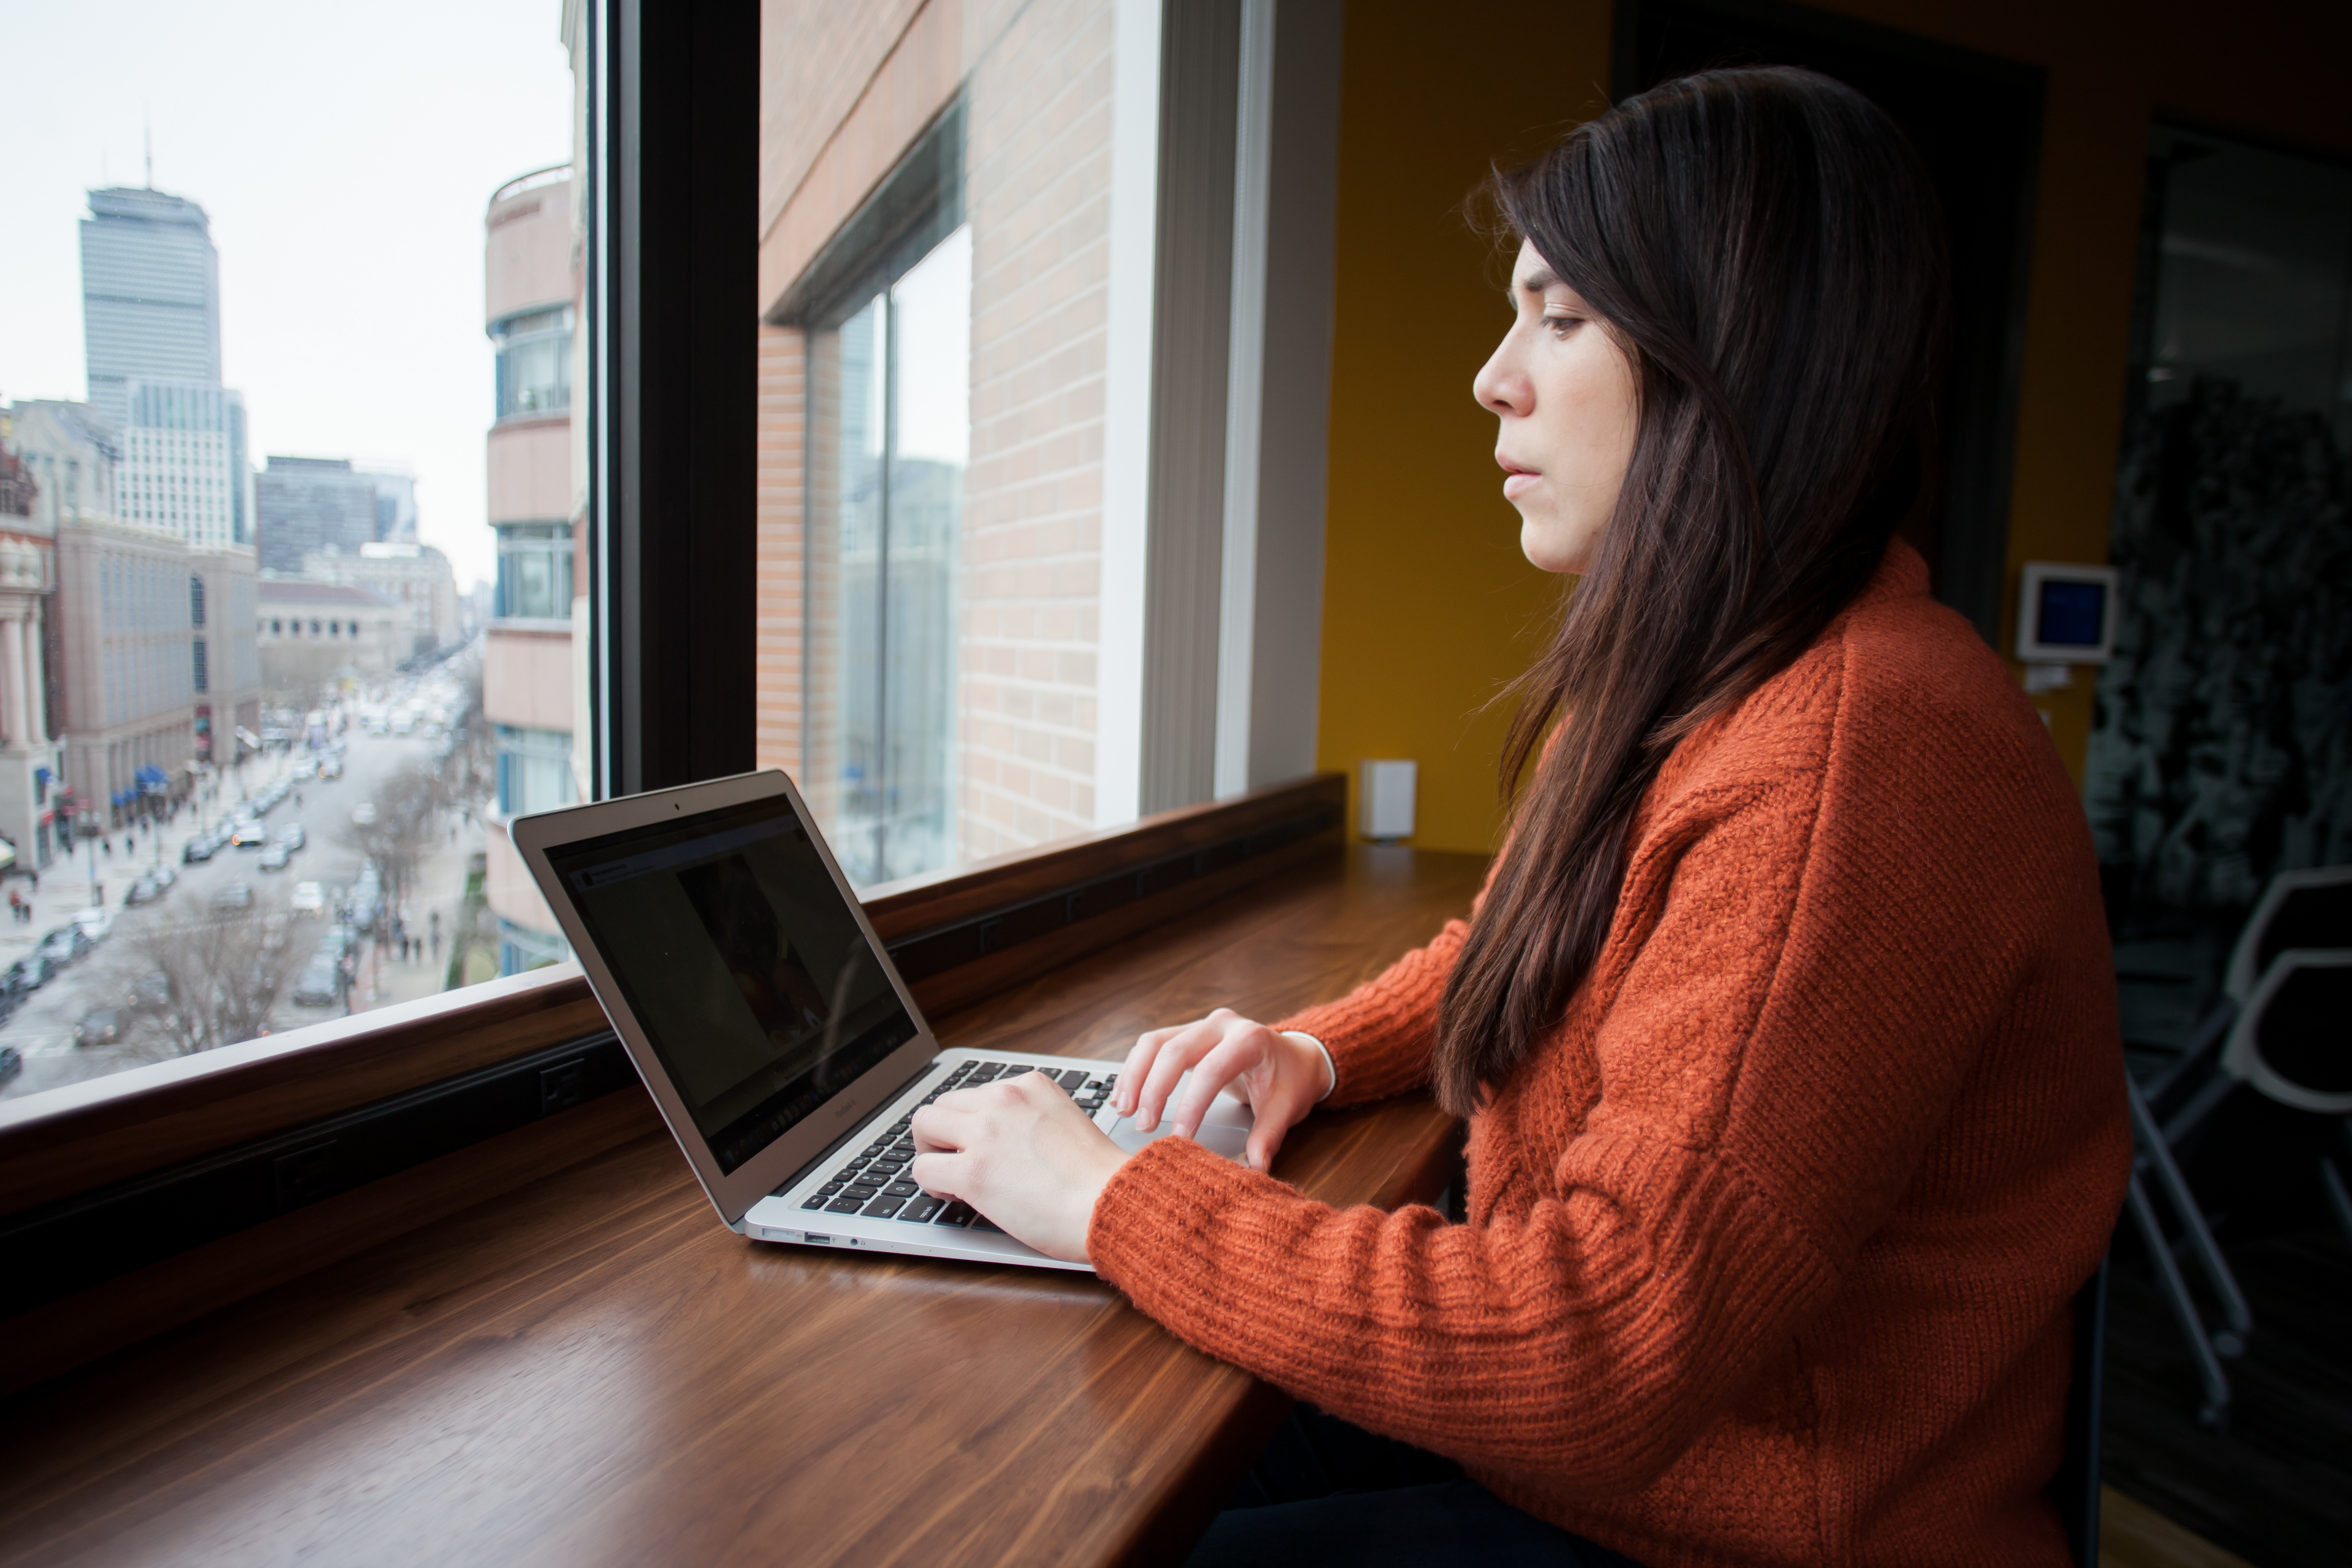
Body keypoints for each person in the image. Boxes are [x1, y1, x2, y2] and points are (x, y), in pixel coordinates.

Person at [906, 68, 2129, 1568]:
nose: (1495, 374)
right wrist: (1318, 1046)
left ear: (1727, 354)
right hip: (1630, 1466)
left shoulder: (1859, 754)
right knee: (1088, 1454)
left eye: (1558, 317)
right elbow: (1529, 942)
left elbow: (1600, 1352)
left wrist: (1114, 1196)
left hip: (1755, 1523)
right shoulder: (1718, 680)